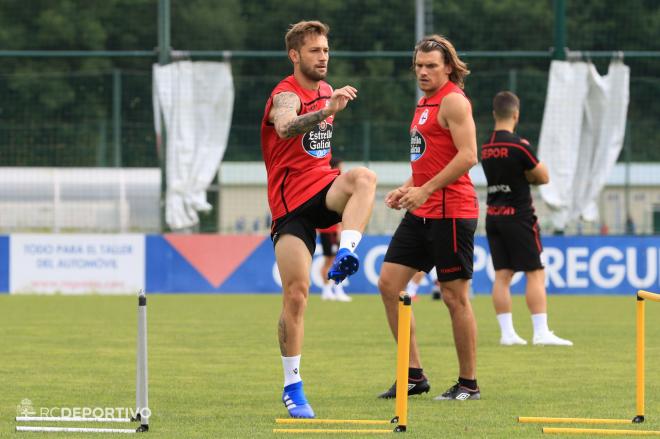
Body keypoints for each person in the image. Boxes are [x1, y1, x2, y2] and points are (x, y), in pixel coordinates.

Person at [260, 20, 377, 419]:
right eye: (314, 51)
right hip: (289, 206)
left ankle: (346, 253)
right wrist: (327, 110)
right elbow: (286, 126)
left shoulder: (328, 90)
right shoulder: (284, 94)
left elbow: (316, 147)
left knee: (364, 177)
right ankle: (293, 386)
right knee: (296, 294)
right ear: (295, 56)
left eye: (326, 50)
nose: (323, 57)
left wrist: (329, 106)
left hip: (322, 188)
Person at [377, 35, 480, 401]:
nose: (422, 71)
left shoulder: (453, 100)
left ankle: (468, 384)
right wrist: (408, 188)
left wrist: (425, 189)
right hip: (421, 209)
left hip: (452, 212)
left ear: (448, 67)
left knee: (455, 298)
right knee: (389, 284)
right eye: (419, 65)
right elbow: (429, 160)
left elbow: (468, 156)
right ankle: (413, 375)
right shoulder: (424, 103)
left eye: (431, 66)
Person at [481, 91, 572, 347]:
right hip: (519, 217)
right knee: (535, 272)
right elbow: (543, 177)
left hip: (493, 216)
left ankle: (507, 334)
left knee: (502, 275)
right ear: (516, 114)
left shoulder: (486, 147)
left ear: (494, 114)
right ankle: (540, 331)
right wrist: (528, 175)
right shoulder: (519, 146)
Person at [318, 158, 352, 302]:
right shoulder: (332, 183)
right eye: (341, 167)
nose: (343, 170)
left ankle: (335, 289)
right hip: (328, 230)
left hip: (333, 229)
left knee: (336, 260)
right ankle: (327, 290)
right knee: (330, 260)